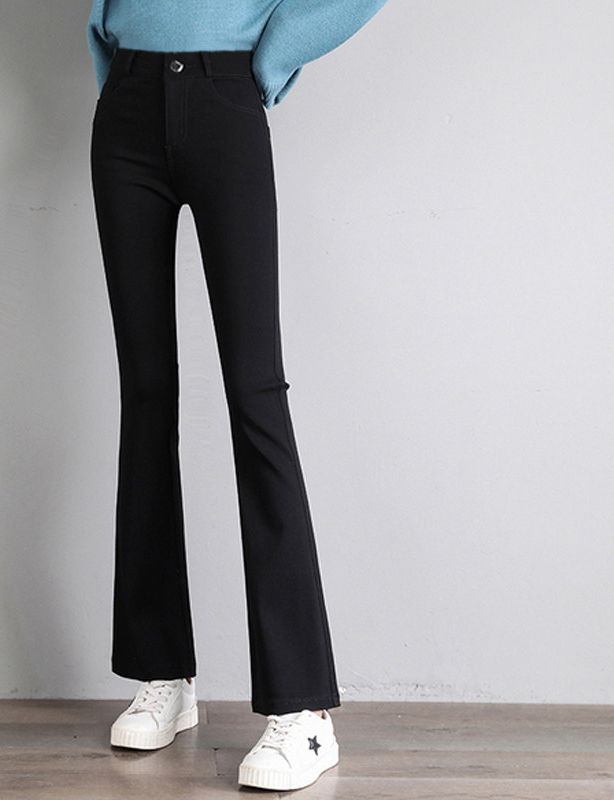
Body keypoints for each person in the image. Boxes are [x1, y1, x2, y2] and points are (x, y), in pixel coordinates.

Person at [86, 0, 389, 791]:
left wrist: (268, 56)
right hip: (125, 108)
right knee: (145, 395)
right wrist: (114, 50)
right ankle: (163, 672)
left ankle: (303, 711)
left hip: (224, 98)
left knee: (256, 392)